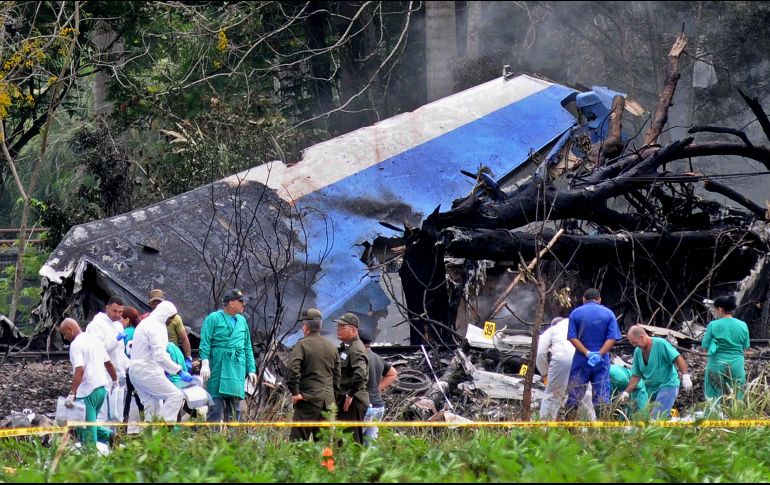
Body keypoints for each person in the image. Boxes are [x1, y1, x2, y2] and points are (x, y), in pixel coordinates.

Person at [199, 288, 257, 422]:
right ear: (231, 303)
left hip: (236, 368)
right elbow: (205, 341)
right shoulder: (214, 318)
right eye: (241, 302)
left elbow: (247, 346)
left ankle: (233, 441)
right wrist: (205, 362)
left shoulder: (242, 321)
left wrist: (251, 369)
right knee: (215, 409)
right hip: (218, 366)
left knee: (235, 411)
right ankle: (212, 441)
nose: (244, 305)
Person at [129, 300, 192, 423]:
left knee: (152, 408)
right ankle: (164, 429)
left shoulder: (148, 323)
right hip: (147, 371)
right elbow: (160, 355)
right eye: (171, 318)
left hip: (138, 372)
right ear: (164, 315)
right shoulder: (155, 327)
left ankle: (150, 438)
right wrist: (179, 371)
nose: (172, 321)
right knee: (176, 396)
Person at [565, 288, 622, 417]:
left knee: (574, 395)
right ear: (599, 299)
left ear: (584, 299)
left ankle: (569, 431)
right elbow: (612, 338)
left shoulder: (575, 313)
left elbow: (572, 337)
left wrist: (587, 353)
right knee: (601, 396)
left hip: (581, 360)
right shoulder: (609, 314)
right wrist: (599, 354)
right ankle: (602, 431)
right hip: (601, 362)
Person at [60, 318, 117, 446]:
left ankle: (90, 460)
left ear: (70, 329)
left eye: (65, 333)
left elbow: (80, 370)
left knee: (86, 432)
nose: (65, 337)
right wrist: (115, 381)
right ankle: (111, 437)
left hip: (87, 393)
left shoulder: (76, 345)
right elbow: (108, 363)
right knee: (86, 424)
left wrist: (72, 393)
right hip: (101, 390)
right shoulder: (95, 340)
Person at [287, 308, 341, 441]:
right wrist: (333, 398)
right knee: (323, 446)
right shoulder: (332, 347)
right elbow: (337, 376)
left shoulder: (302, 345)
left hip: (307, 400)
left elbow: (292, 369)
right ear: (320, 325)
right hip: (328, 403)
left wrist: (295, 392)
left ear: (305, 327)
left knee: (298, 444)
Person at [621, 325, 692, 419]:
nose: (634, 345)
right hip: (651, 390)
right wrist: (626, 392)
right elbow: (636, 375)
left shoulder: (660, 344)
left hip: (667, 385)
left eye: (635, 343)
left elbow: (677, 358)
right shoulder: (638, 352)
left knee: (657, 417)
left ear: (642, 337)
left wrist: (686, 376)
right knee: (647, 418)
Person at [536, 317, 596, 421]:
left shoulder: (553, 329)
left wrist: (544, 372)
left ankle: (545, 428)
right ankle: (590, 428)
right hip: (583, 359)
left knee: (553, 395)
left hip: (562, 359)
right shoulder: (580, 326)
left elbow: (540, 352)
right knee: (586, 395)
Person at [86, 296, 130, 420]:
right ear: (107, 308)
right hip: (104, 374)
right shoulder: (96, 325)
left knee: (117, 413)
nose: (117, 315)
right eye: (114, 311)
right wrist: (116, 339)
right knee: (104, 412)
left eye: (120, 312)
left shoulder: (118, 326)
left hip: (119, 373)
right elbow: (99, 350)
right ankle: (103, 438)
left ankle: (115, 438)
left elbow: (120, 353)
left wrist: (128, 365)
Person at [702, 295, 750, 401]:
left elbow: (705, 346)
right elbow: (745, 347)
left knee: (713, 394)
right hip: (737, 364)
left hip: (716, 364)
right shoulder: (743, 325)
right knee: (737, 393)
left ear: (720, 309)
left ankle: (715, 416)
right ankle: (735, 416)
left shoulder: (713, 325)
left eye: (715, 310)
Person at [335, 312, 369, 444]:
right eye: (338, 326)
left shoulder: (356, 348)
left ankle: (355, 465)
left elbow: (360, 374)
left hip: (353, 401)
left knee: (350, 442)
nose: (338, 329)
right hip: (347, 400)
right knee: (343, 440)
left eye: (342, 326)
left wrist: (350, 395)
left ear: (354, 330)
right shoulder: (347, 347)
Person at [360, 329, 397, 444]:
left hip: (365, 406)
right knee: (370, 446)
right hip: (378, 407)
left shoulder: (361, 358)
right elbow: (393, 373)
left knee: (351, 442)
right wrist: (378, 388)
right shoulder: (377, 358)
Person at [142, 289, 192, 367]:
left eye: (159, 302)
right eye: (154, 303)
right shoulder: (147, 320)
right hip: (154, 357)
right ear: (150, 304)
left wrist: (188, 357)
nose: (157, 305)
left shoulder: (174, 318)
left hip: (172, 355)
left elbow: (184, 338)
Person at [120, 306, 144, 428]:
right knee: (139, 395)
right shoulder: (140, 331)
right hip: (140, 369)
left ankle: (124, 421)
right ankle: (145, 418)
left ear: (127, 320)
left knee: (127, 396)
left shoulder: (124, 333)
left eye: (121, 319)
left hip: (127, 369)